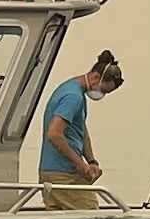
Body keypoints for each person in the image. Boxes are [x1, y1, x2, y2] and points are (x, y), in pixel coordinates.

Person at [39, 49, 123, 207]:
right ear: (96, 77)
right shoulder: (73, 97)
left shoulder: (70, 89)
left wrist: (91, 161)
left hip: (53, 171)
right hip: (64, 174)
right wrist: (79, 164)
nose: (102, 94)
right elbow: (54, 134)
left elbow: (81, 132)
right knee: (90, 218)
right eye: (104, 90)